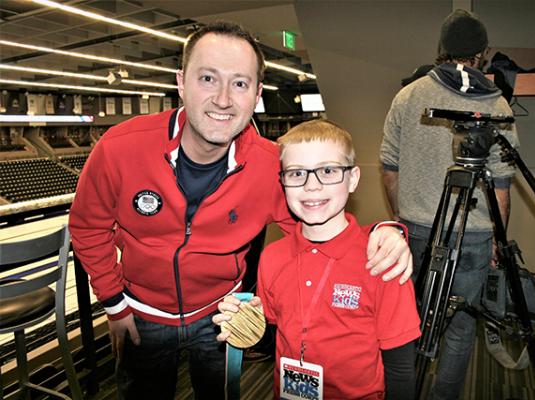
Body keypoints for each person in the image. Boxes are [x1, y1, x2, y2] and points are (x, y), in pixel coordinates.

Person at [69, 21, 412, 400]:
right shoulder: (121, 148)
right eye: (208, 79)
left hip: (224, 315)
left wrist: (383, 231)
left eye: (240, 83)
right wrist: (114, 303)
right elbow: (88, 227)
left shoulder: (270, 166)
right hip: (140, 312)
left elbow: (316, 222)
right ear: (181, 82)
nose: (223, 99)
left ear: (257, 94)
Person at [214, 119, 421, 399]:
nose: (312, 186)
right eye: (297, 173)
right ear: (283, 183)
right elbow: (276, 332)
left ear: (353, 179)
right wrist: (241, 321)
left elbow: (400, 366)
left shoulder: (383, 261)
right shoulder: (272, 257)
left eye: (327, 170)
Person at [379, 9, 519, 400]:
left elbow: (390, 166)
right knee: (460, 329)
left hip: (416, 229)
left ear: (441, 50)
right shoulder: (498, 106)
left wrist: (399, 214)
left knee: (408, 321)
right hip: (472, 235)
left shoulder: (407, 96)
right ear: (482, 54)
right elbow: (502, 185)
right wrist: (497, 237)